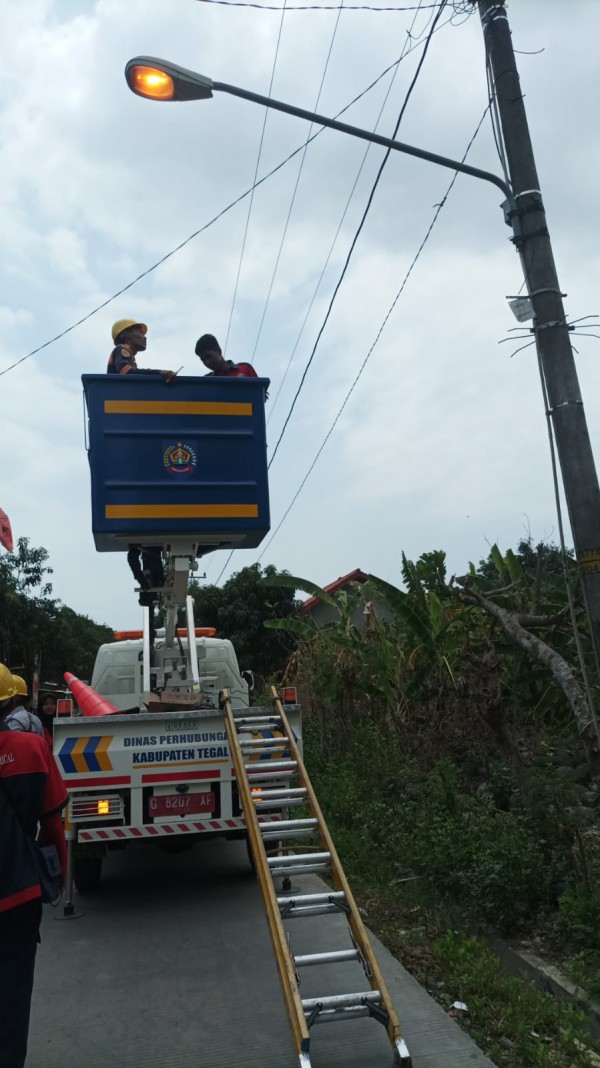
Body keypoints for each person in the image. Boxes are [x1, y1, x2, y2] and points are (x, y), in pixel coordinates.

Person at [0, 663, 67, 1068]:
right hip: (18, 892)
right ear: (11, 700)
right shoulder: (30, 748)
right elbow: (53, 824)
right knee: (12, 993)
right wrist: (60, 875)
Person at [107, 320, 177, 381]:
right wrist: (159, 372)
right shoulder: (121, 348)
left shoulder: (130, 359)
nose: (144, 337)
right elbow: (126, 372)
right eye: (140, 332)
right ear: (127, 334)